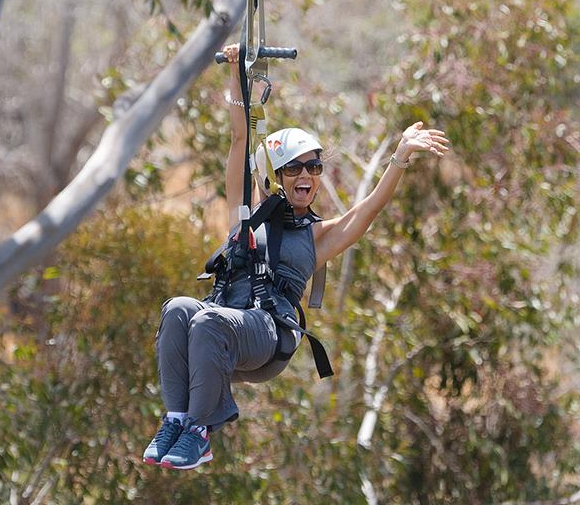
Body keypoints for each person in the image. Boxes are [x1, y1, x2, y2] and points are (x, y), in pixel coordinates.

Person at [142, 43, 450, 470]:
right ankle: (177, 420)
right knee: (178, 309)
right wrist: (236, 74)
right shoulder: (245, 216)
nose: (306, 175)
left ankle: (199, 431)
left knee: (207, 320)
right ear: (274, 175)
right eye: (294, 168)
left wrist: (399, 156)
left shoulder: (317, 236)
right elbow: (238, 140)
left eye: (314, 167)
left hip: (267, 336)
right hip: (222, 326)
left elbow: (369, 209)